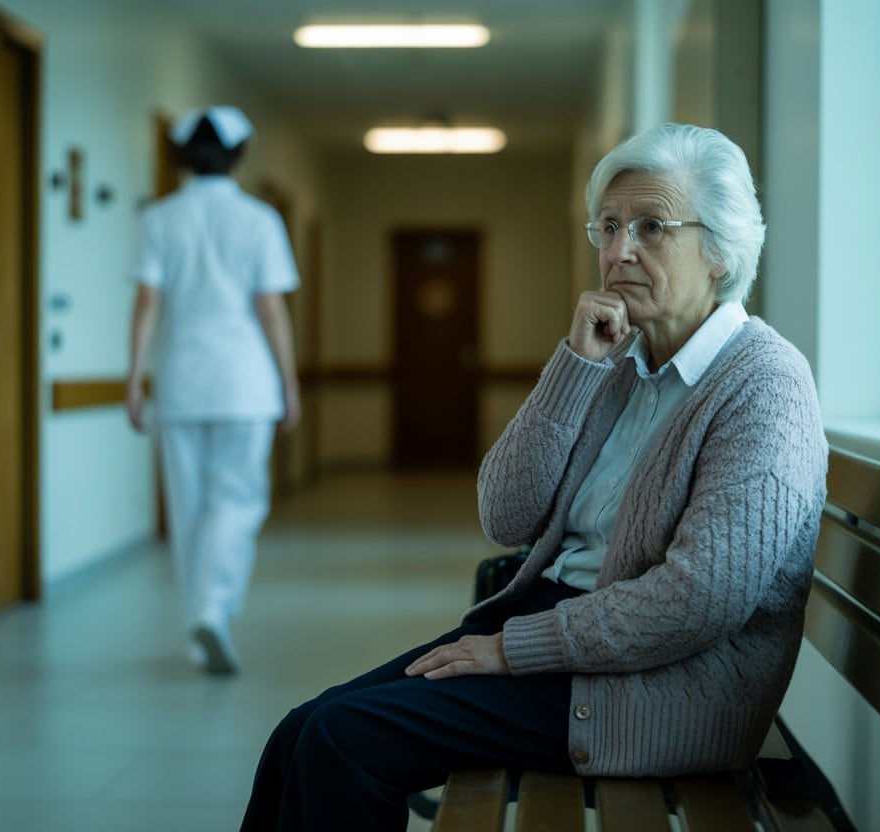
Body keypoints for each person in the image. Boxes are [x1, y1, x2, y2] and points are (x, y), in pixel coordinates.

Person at [238, 122, 827, 829]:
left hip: (649, 691)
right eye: (606, 228)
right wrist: (573, 368)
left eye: (650, 227)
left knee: (341, 742)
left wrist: (511, 649)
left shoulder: (764, 384)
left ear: (722, 250)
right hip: (566, 644)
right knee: (299, 730)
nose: (618, 252)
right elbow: (505, 514)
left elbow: (697, 600)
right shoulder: (618, 363)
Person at [125, 105, 301, 676]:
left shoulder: (159, 217)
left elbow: (147, 302)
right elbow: (270, 308)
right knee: (238, 500)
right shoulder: (258, 219)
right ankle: (214, 613)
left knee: (189, 507)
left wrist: (133, 380)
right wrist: (289, 383)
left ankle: (202, 623)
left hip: (179, 382)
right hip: (245, 383)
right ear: (239, 157)